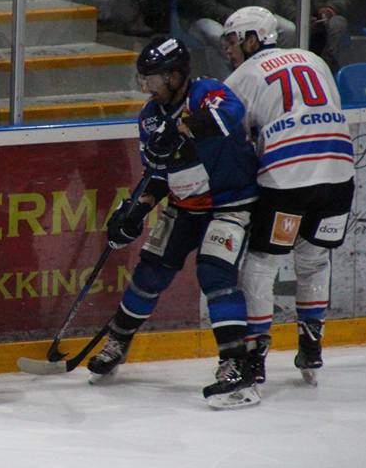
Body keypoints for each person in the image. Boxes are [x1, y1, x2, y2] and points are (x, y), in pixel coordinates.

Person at [89, 36, 260, 409]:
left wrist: (182, 129)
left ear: (177, 75)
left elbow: (228, 118)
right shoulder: (150, 117)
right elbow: (157, 173)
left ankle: (235, 365)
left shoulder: (207, 93)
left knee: (215, 274)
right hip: (185, 206)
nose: (146, 86)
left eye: (153, 78)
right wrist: (135, 209)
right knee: (150, 271)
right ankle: (118, 340)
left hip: (230, 203)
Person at [221, 6, 355, 386]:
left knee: (262, 263)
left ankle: (255, 354)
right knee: (314, 259)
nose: (229, 49)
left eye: (233, 40)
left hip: (286, 181)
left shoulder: (240, 77)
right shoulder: (314, 59)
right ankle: (311, 347)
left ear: (252, 38)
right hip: (338, 172)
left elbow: (239, 141)